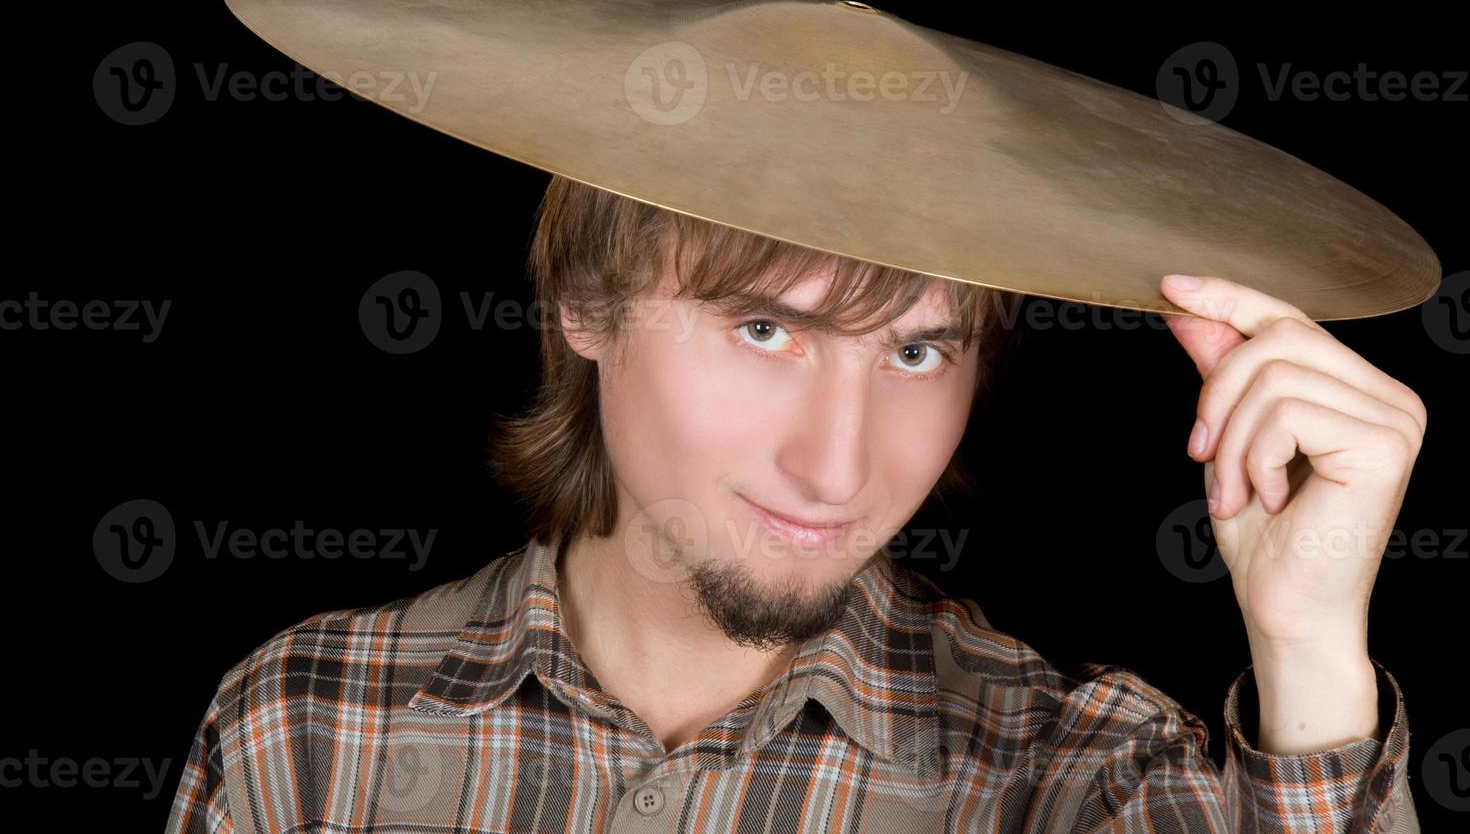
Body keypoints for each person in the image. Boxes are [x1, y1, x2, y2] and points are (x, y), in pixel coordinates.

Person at [164, 173, 1422, 833]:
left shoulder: (1086, 775)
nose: (837, 469)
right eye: (765, 327)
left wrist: (1309, 645)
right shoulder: (307, 727)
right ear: (585, 306)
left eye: (918, 352)